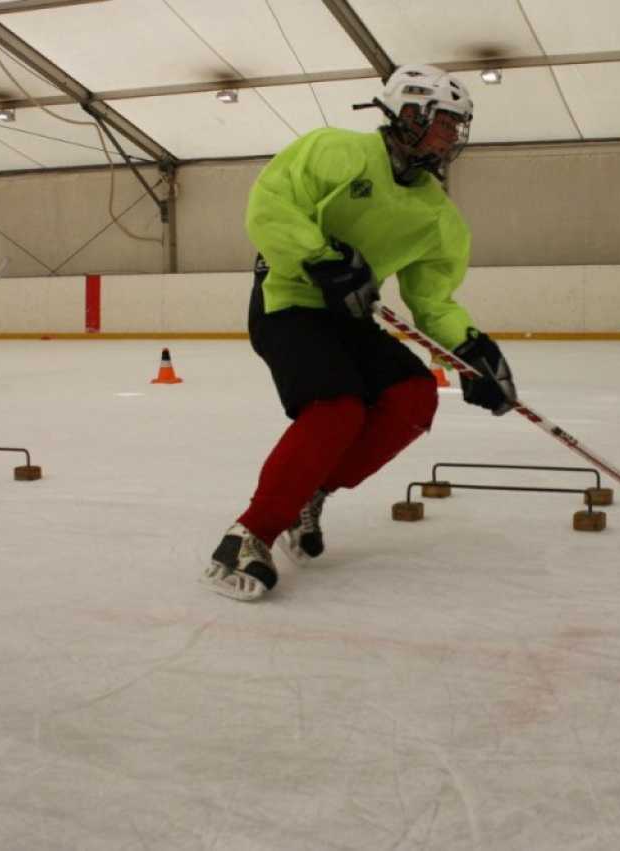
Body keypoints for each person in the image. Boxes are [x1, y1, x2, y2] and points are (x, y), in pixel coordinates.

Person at [202, 65, 517, 602]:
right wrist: (320, 260)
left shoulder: (437, 216)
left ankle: (309, 494)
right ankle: (247, 536)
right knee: (337, 408)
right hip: (288, 301)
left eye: (457, 127)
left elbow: (432, 298)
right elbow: (272, 206)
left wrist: (470, 349)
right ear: (409, 111)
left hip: (348, 314)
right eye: (444, 122)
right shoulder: (334, 151)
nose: (451, 137)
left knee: (414, 397)